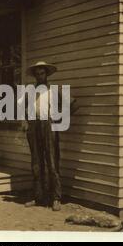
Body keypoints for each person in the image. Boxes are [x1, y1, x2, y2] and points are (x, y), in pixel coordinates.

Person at [22, 61, 79, 211]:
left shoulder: (54, 90)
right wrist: (25, 121)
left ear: (46, 74)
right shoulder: (30, 92)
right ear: (34, 76)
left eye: (42, 73)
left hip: (49, 126)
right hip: (34, 127)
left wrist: (60, 118)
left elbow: (73, 105)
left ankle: (56, 198)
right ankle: (38, 196)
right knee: (36, 162)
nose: (40, 76)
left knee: (52, 162)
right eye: (37, 74)